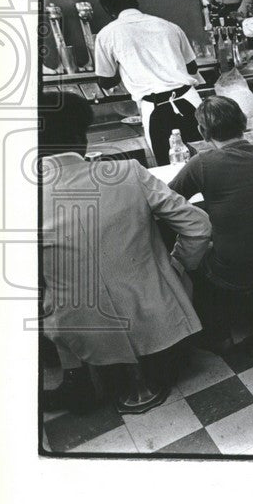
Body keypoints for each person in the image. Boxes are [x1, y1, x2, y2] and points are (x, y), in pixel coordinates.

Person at [40, 92, 211, 414]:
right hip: (156, 320)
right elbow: (198, 227)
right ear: (82, 137)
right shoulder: (128, 172)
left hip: (81, 333)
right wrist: (176, 267)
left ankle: (77, 380)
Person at [168, 96, 253, 349]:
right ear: (243, 121)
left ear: (202, 132)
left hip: (236, 269)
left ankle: (219, 334)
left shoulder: (201, 164)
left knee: (195, 259)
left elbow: (169, 199)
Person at [94, 0, 203, 166]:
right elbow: (192, 68)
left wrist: (126, 66)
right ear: (135, 1)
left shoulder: (107, 35)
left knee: (170, 169)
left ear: (107, 8)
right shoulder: (169, 26)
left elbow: (105, 82)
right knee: (207, 160)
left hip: (155, 109)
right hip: (192, 102)